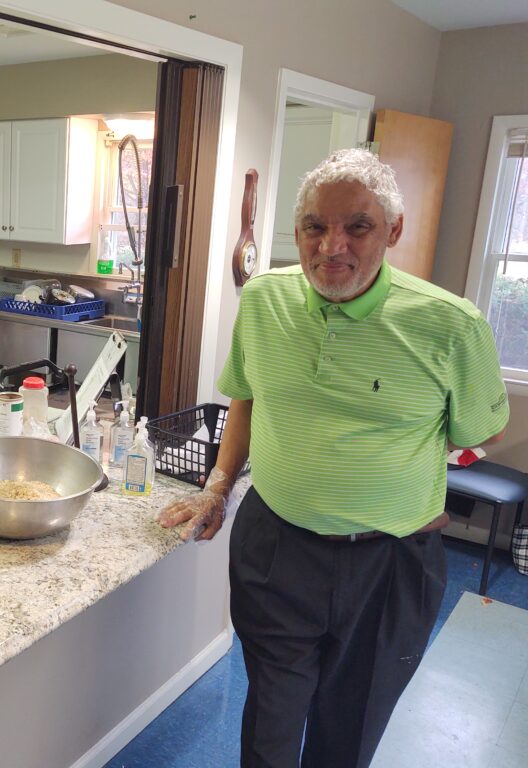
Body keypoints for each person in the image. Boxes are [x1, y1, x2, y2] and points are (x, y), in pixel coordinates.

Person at [158, 149, 509, 768]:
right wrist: (217, 487)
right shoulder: (264, 299)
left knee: (349, 728)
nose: (331, 246)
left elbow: (477, 433)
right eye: (314, 226)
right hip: (275, 548)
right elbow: (244, 398)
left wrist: (400, 486)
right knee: (269, 716)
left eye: (358, 226)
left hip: (389, 563)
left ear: (393, 231)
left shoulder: (451, 325)